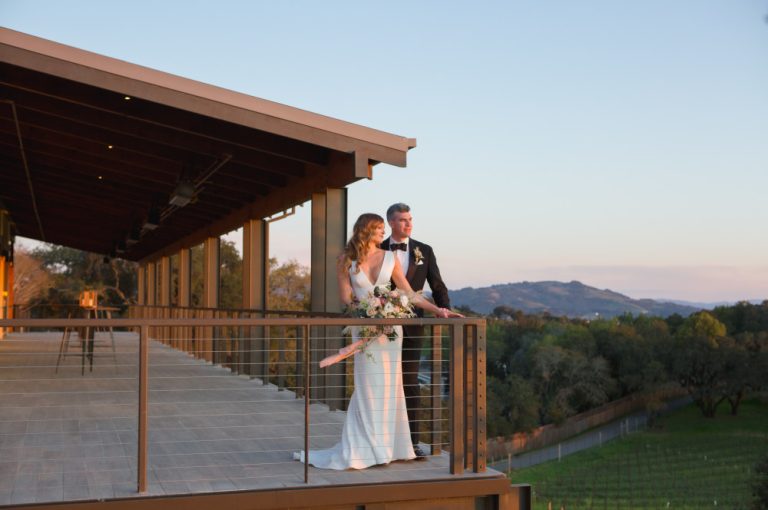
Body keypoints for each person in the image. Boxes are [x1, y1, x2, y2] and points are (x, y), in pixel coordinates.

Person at [296, 213, 460, 470]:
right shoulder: (345, 260)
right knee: (368, 387)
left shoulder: (390, 258)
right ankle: (366, 449)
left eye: (384, 229)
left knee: (389, 387)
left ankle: (387, 448)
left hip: (391, 332)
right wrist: (369, 312)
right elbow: (347, 300)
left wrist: (439, 310)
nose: (383, 233)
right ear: (366, 230)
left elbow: (408, 294)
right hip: (363, 329)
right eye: (379, 229)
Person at [380, 203, 450, 459]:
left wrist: (445, 311)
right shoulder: (377, 249)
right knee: (383, 382)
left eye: (410, 219)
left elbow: (437, 284)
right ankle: (383, 442)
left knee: (410, 384)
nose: (408, 224)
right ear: (391, 223)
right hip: (382, 325)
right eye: (402, 220)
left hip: (413, 326)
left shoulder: (425, 250)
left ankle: (412, 443)